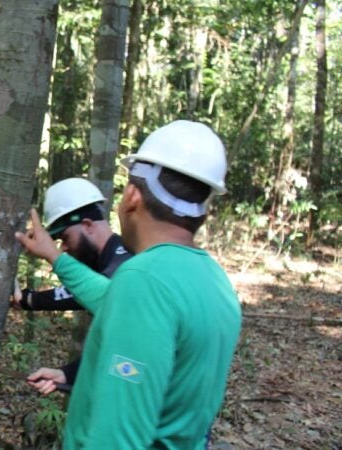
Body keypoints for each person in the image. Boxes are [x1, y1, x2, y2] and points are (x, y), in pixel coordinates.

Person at [15, 120, 242, 449]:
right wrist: (55, 257)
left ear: (133, 196)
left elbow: (118, 437)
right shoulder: (212, 278)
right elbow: (110, 298)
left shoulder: (144, 280)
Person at [10, 178, 132, 394]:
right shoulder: (107, 261)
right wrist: (67, 374)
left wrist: (51, 256)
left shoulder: (126, 263)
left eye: (65, 237)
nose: (64, 247)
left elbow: (98, 293)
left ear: (87, 225)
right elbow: (117, 351)